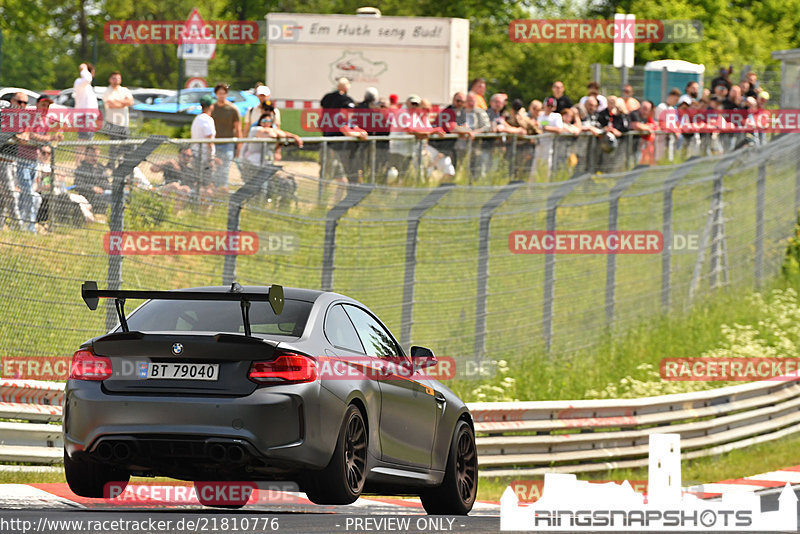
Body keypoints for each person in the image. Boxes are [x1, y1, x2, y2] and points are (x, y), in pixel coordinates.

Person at [15, 94, 63, 232]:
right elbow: (31, 135)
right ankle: (28, 226)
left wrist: (52, 140)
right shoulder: (32, 116)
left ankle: (24, 223)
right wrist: (50, 137)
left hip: (34, 160)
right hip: (22, 159)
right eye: (43, 105)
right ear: (37, 105)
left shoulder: (46, 121)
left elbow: (43, 140)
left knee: (31, 194)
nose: (45, 108)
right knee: (28, 193)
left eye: (48, 106)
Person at [320, 77, 367, 182]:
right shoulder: (339, 113)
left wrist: (361, 132)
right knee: (337, 178)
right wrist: (359, 135)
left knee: (336, 176)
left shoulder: (328, 97)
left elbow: (354, 127)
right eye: (347, 109)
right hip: (332, 147)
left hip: (336, 144)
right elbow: (345, 130)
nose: (349, 112)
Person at [210, 83, 242, 187]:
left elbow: (238, 129)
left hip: (227, 143)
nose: (222, 95)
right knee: (213, 169)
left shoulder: (232, 109)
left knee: (224, 170)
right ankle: (213, 191)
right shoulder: (212, 108)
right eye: (219, 93)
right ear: (216, 94)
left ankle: (222, 192)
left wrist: (239, 147)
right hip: (214, 143)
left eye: (223, 93)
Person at [103, 71, 134, 164]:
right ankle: (111, 162)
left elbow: (130, 102)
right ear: (110, 79)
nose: (116, 80)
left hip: (124, 123)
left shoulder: (124, 90)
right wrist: (123, 102)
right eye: (114, 78)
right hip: (112, 122)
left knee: (127, 144)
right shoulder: (107, 91)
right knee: (114, 144)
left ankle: (124, 162)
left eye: (118, 78)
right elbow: (111, 104)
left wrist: (118, 102)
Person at [73, 146, 110, 212]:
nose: (94, 158)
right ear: (86, 155)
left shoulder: (101, 168)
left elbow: (106, 182)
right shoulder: (81, 169)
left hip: (104, 194)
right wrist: (92, 188)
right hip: (89, 196)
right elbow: (77, 185)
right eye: (92, 155)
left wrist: (105, 188)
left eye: (96, 156)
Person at [190, 94, 216, 188]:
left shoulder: (197, 118)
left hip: (196, 154)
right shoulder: (207, 119)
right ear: (210, 106)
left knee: (198, 181)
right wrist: (211, 158)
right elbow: (209, 140)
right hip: (204, 157)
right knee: (206, 184)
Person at [73, 63, 98, 140]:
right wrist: (84, 69)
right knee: (83, 141)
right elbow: (87, 78)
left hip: (89, 116)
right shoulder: (79, 82)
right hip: (84, 116)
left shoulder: (88, 87)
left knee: (89, 141)